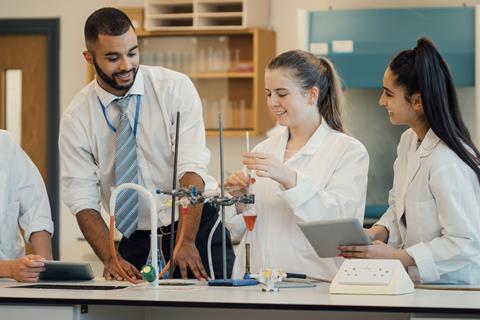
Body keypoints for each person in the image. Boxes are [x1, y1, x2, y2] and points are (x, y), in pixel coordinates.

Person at [59, 7, 233, 281]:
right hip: (136, 240)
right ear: (89, 58)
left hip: (195, 228)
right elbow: (82, 199)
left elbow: (191, 168)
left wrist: (186, 241)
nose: (126, 65)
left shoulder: (174, 88)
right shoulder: (77, 117)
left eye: (132, 52)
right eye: (113, 57)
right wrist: (110, 257)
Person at [339, 38, 480, 284]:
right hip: (419, 287)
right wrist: (374, 233)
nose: (381, 101)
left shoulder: (448, 160)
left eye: (389, 94)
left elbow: (464, 243)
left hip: (455, 292)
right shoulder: (408, 141)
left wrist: (398, 256)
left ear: (417, 102)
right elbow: (399, 208)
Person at [226, 50, 369, 281]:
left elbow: (341, 229)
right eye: (268, 93)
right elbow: (242, 228)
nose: (272, 103)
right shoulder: (263, 150)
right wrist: (240, 199)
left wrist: (291, 179)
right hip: (256, 280)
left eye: (282, 94)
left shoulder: (348, 151)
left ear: (312, 95)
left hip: (313, 283)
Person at [0, 130, 54, 282]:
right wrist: (9, 268)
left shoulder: (5, 143)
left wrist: (46, 270)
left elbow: (36, 207)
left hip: (13, 282)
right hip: (11, 273)